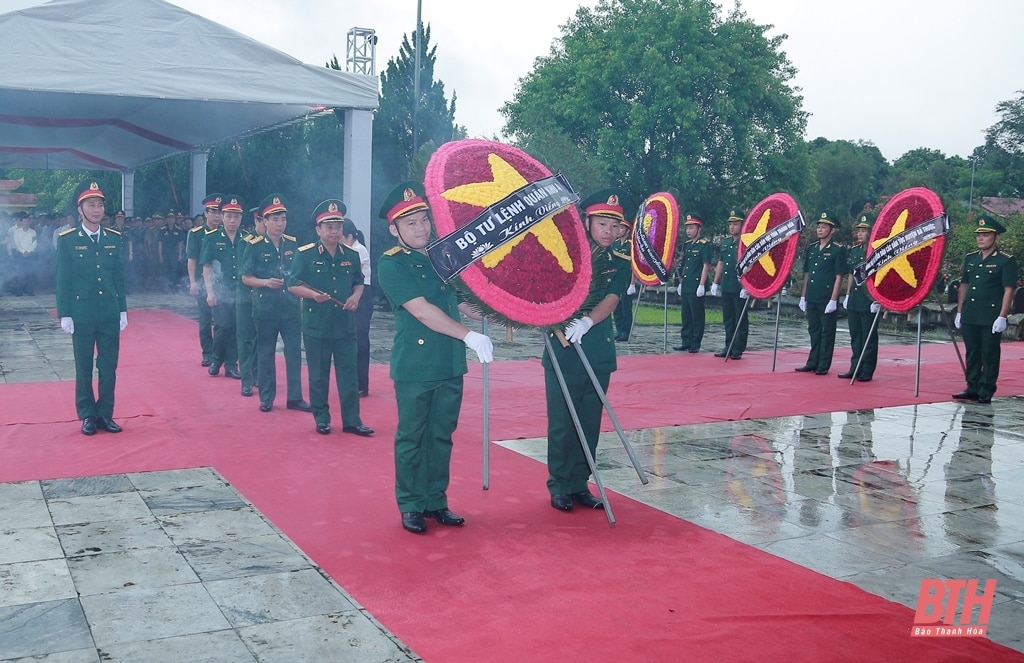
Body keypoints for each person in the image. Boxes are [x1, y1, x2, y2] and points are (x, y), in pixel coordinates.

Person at [376, 181, 494, 534]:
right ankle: (411, 504)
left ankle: (435, 500)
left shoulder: (442, 257)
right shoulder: (391, 264)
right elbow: (422, 310)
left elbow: (458, 301)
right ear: (394, 229)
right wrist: (469, 336)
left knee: (442, 435)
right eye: (411, 223)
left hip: (448, 363)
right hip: (416, 365)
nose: (421, 228)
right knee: (413, 436)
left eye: (424, 219)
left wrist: (500, 312)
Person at [544, 188, 631, 513]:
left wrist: (587, 322)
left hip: (596, 349)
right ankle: (560, 484)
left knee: (589, 420)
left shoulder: (620, 263)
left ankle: (580, 483)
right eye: (603, 224)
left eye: (614, 225)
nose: (609, 232)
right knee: (563, 422)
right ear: (587, 221)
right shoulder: (564, 257)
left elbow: (611, 300)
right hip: (562, 350)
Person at [287, 199, 373, 436]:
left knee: (349, 374)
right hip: (317, 324)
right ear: (318, 230)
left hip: (345, 324)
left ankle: (352, 420)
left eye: (338, 227)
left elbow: (358, 282)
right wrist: (313, 295)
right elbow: (292, 284)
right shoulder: (305, 255)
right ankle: (322, 418)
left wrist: (356, 296)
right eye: (329, 227)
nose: (335, 232)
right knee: (318, 374)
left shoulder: (352, 255)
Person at [55, 181, 128, 435]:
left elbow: (118, 277)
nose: (96, 210)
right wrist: (64, 313)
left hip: (108, 312)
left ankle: (105, 414)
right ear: (80, 209)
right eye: (91, 205)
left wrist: (122, 309)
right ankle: (87, 414)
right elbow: (62, 279)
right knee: (84, 366)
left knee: (108, 366)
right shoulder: (68, 240)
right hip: (82, 314)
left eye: (99, 205)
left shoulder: (114, 238)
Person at [243, 195, 309, 412]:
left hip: (290, 307)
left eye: (283, 219)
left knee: (293, 353)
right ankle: (267, 397)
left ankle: (295, 397)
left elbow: (298, 274)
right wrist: (264, 283)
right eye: (275, 220)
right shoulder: (254, 245)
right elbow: (246, 277)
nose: (280, 224)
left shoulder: (292, 243)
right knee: (265, 353)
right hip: (265, 308)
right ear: (264, 221)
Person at [953, 216, 1018, 404]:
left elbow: (1009, 290)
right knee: (972, 351)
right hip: (971, 312)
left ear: (996, 238)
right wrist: (959, 311)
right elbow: (964, 285)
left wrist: (1002, 316)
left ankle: (986, 388)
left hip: (990, 315)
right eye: (979, 235)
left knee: (989, 352)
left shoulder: (1006, 261)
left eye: (986, 234)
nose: (981, 238)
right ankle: (972, 386)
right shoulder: (970, 258)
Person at [200, 194, 247, 378]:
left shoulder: (246, 238)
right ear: (222, 216)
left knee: (237, 327)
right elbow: (206, 265)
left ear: (241, 218)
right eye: (229, 216)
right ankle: (216, 358)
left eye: (236, 216)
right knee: (222, 326)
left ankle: (231, 365)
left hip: (240, 291)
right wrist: (210, 291)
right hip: (220, 290)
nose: (232, 220)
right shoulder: (212, 238)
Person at [795, 212, 848, 375]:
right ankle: (812, 361)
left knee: (827, 331)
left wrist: (834, 299)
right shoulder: (811, 248)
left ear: (832, 230)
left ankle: (823, 365)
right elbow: (807, 273)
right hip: (812, 295)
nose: (820, 230)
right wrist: (803, 296)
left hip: (826, 298)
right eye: (818, 227)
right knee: (814, 330)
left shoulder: (837, 250)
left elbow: (839, 276)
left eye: (824, 227)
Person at [839, 215, 880, 381]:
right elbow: (851, 274)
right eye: (859, 230)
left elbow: (880, 276)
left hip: (869, 300)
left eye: (864, 231)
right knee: (855, 336)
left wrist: (877, 298)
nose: (860, 234)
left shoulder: (876, 252)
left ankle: (867, 370)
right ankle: (855, 367)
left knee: (868, 337)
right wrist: (848, 294)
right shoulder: (855, 251)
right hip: (855, 299)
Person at [186, 194, 222, 366]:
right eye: (213, 212)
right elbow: (192, 259)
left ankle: (221, 352)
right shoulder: (196, 234)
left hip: (224, 284)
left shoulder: (226, 233)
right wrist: (192, 281)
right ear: (205, 213)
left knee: (224, 322)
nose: (217, 215)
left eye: (219, 212)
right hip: (203, 282)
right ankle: (207, 352)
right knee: (206, 321)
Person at [341, 218, 374, 397]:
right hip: (351, 294)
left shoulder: (359, 250)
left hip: (362, 296)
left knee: (361, 341)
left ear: (350, 236)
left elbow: (351, 273)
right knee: (350, 340)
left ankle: (362, 385)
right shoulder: (348, 249)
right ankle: (353, 382)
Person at [711, 210, 749, 359]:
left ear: (742, 224)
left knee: (740, 318)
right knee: (728, 318)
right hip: (727, 285)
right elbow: (721, 262)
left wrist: (747, 286)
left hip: (740, 286)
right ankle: (728, 346)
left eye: (735, 224)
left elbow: (751, 264)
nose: (732, 227)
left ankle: (738, 348)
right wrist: (715, 282)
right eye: (730, 224)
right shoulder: (726, 242)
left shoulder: (746, 242)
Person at [235, 208, 265, 398]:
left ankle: (256, 374)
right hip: (247, 296)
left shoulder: (273, 242)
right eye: (263, 221)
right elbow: (243, 273)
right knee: (246, 338)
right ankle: (246, 380)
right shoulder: (247, 242)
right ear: (257, 222)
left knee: (260, 339)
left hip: (264, 298)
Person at [673, 215, 713, 353]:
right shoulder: (688, 245)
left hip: (697, 284)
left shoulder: (704, 245)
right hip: (687, 284)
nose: (688, 231)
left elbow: (706, 265)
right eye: (687, 228)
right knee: (686, 315)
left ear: (699, 229)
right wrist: (680, 283)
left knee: (697, 315)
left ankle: (695, 343)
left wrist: (702, 285)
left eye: (691, 228)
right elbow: (685, 266)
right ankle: (686, 340)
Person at [611, 215, 636, 342]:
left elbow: (634, 265)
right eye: (618, 227)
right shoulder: (614, 243)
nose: (619, 230)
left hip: (626, 280)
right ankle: (619, 330)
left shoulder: (631, 245)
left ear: (627, 230)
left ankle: (626, 332)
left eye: (622, 228)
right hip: (615, 279)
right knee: (616, 305)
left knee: (626, 307)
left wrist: (632, 283)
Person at [7, 211, 38, 295]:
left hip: (30, 254)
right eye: (24, 221)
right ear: (21, 222)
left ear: (29, 221)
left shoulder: (33, 232)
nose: (25, 223)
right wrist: (23, 251)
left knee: (30, 273)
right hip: (20, 254)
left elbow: (34, 243)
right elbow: (17, 243)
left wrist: (29, 251)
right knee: (20, 273)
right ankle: (19, 291)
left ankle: (30, 291)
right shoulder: (17, 232)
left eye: (27, 221)